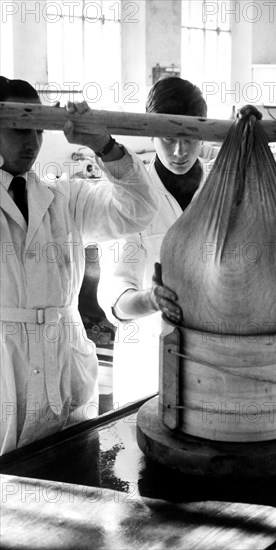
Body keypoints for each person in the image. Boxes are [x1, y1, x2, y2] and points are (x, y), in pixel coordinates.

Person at [0, 77, 159, 454]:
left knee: (75, 472)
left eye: (39, 128)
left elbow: (137, 211)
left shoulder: (64, 197)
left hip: (66, 360)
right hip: (8, 367)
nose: (32, 141)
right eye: (19, 128)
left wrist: (102, 145)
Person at [97, 77, 209, 406]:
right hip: (148, 365)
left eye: (190, 138)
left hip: (214, 360)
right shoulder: (128, 197)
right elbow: (115, 300)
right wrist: (152, 300)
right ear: (150, 132)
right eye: (168, 137)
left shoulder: (222, 191)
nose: (179, 151)